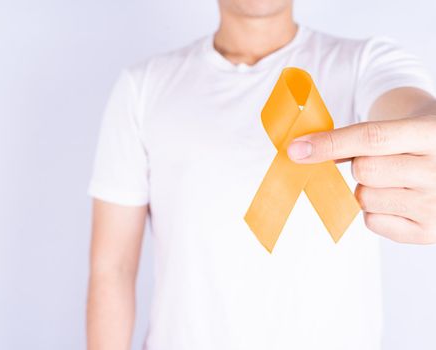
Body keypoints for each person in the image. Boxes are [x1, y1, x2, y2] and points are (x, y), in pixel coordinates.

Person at [86, 0, 436, 349]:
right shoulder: (142, 86)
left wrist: (426, 131)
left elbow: (414, 109)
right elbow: (112, 270)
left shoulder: (365, 63)